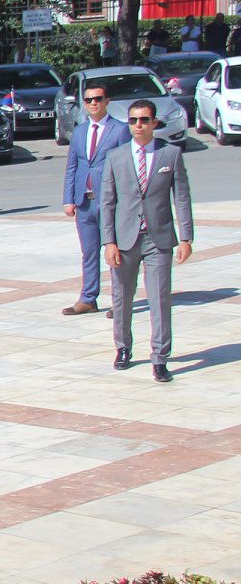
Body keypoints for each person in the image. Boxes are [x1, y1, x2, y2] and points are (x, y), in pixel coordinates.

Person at [102, 99, 194, 383]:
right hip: (125, 238)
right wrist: (109, 242)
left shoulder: (171, 154)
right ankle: (123, 347)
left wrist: (186, 237)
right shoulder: (115, 156)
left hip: (158, 238)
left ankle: (160, 357)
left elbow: (181, 197)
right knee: (122, 297)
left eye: (143, 120)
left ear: (154, 123)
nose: (138, 125)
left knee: (159, 298)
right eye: (133, 121)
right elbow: (107, 202)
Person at [62, 82, 130, 317]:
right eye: (89, 99)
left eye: (98, 99)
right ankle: (88, 298)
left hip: (111, 202)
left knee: (114, 252)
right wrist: (68, 198)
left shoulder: (120, 130)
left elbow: (126, 167)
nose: (93, 103)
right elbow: (72, 166)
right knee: (89, 252)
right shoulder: (80, 131)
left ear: (107, 101)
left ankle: (119, 301)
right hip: (85, 202)